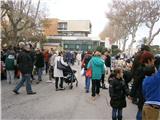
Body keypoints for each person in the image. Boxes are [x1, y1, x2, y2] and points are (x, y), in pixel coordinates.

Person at [141, 53, 160, 120]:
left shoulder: (144, 81)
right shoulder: (157, 78)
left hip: (146, 106)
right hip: (153, 108)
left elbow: (144, 93)